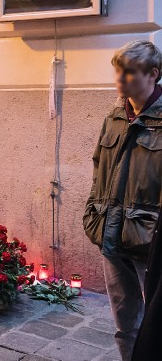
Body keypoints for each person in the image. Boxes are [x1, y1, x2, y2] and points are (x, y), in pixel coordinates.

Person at [83, 40, 162, 360]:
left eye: (128, 72)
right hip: (111, 234)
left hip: (150, 238)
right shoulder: (114, 117)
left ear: (153, 74)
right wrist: (92, 210)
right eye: (118, 71)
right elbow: (98, 167)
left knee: (155, 324)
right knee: (124, 323)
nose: (120, 79)